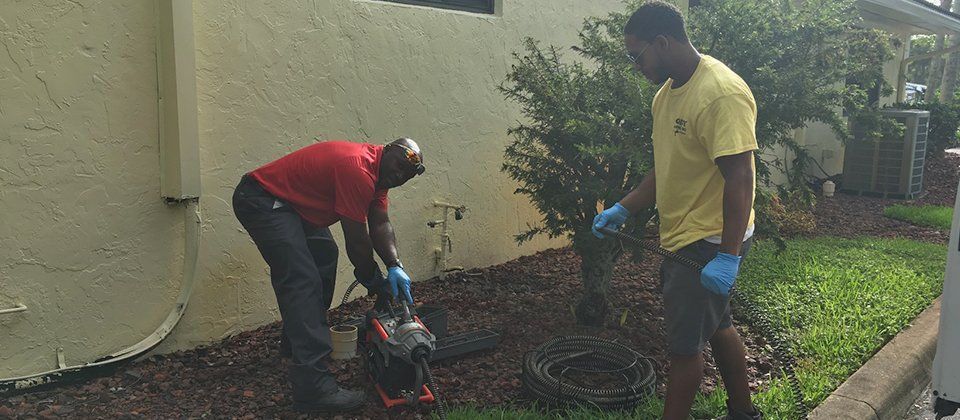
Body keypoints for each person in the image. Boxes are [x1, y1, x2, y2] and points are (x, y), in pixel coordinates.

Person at [592, 2, 762, 420]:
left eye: (637, 55)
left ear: (663, 42)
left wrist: (727, 256)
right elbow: (666, 166)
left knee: (683, 351)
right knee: (719, 328)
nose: (635, 65)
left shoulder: (720, 93)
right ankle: (744, 413)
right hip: (690, 237)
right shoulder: (666, 97)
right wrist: (623, 208)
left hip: (708, 241)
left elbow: (740, 177)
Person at [232, 138, 425, 413]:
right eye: (401, 163)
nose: (401, 174)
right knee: (303, 280)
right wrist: (374, 282)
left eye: (410, 173)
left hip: (291, 205)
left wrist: (395, 265)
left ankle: (297, 347)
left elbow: (380, 223)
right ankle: (313, 389)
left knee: (324, 257)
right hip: (263, 200)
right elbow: (357, 242)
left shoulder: (379, 178)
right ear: (387, 148)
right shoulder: (358, 168)